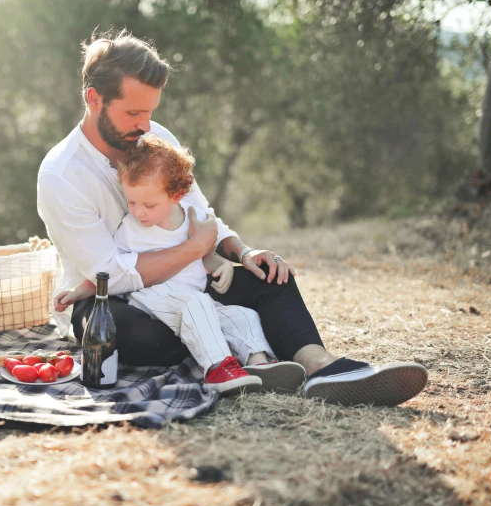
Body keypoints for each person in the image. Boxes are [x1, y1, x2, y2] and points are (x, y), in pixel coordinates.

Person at [36, 29, 428, 406]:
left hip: (187, 280)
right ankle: (240, 352)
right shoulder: (61, 176)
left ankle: (323, 369)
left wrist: (241, 252)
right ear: (94, 99)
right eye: (134, 112)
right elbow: (110, 273)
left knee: (270, 276)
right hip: (109, 302)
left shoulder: (156, 138)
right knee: (141, 336)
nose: (145, 126)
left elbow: (199, 213)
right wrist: (195, 248)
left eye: (151, 112)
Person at [53, 135, 307, 395]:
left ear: (176, 195)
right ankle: (217, 369)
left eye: (148, 204)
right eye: (131, 202)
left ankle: (260, 364)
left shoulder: (191, 219)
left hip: (192, 301)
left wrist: (224, 264)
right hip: (150, 297)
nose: (138, 212)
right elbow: (108, 271)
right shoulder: (130, 229)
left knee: (243, 316)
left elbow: (202, 253)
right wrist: (77, 292)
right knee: (196, 304)